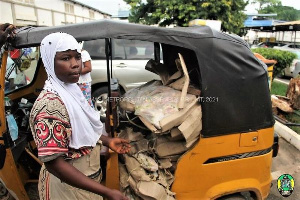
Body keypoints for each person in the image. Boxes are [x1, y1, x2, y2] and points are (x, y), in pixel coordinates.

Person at [29, 32, 130, 200]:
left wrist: (107, 141)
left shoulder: (72, 92)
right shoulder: (50, 106)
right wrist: (107, 192)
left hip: (85, 182)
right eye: (66, 58)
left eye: (77, 57)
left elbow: (81, 130)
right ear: (49, 62)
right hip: (67, 188)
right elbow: (54, 163)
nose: (76, 64)